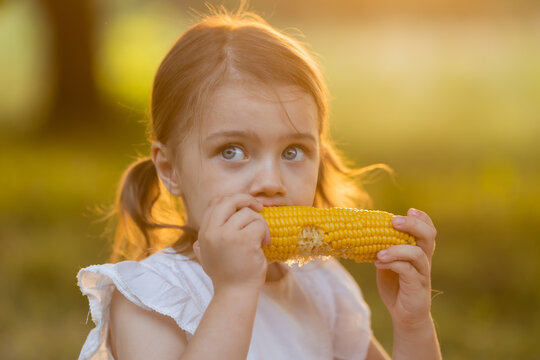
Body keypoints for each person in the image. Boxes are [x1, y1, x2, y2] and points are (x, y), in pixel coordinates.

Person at [77, 6, 441, 360]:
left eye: (293, 151)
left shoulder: (321, 286)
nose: (271, 182)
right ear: (171, 170)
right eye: (232, 151)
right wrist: (234, 291)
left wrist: (412, 324)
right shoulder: (151, 298)